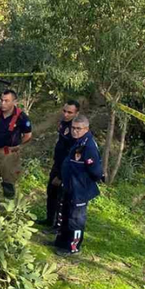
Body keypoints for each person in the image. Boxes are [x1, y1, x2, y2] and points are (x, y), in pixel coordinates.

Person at [55, 114, 104, 256]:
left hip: (80, 189)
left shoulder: (88, 146)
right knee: (65, 215)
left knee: (76, 219)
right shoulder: (77, 142)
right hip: (70, 186)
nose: (75, 131)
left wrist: (83, 181)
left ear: (86, 129)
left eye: (78, 128)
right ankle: (61, 242)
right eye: (73, 128)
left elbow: (96, 171)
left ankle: (73, 248)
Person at [38, 100, 80, 227]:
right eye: (64, 111)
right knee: (51, 192)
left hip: (67, 169)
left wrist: (62, 176)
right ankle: (49, 220)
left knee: (61, 198)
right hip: (57, 164)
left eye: (70, 112)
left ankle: (58, 226)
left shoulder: (76, 129)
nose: (66, 114)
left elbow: (73, 154)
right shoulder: (63, 123)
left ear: (76, 113)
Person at [0, 89, 32, 199]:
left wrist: (18, 146)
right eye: (2, 100)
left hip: (8, 155)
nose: (3, 103)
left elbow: (28, 136)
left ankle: (7, 211)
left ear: (14, 102)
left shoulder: (22, 118)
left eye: (6, 101)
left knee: (8, 184)